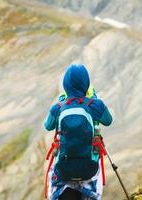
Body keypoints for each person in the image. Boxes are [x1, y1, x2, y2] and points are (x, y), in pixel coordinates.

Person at [44, 64, 113, 200]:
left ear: (65, 84)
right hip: (90, 169)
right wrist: (94, 100)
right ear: (86, 84)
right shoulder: (95, 105)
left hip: (63, 169)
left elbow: (48, 126)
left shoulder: (58, 107)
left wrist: (60, 103)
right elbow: (108, 120)